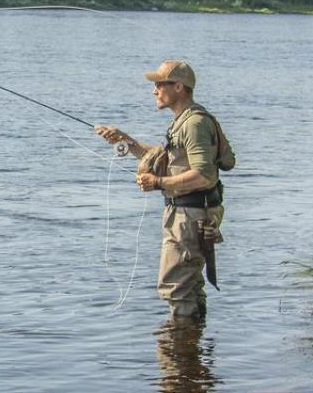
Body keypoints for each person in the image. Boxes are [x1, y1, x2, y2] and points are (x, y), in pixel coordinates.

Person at [95, 60, 234, 322]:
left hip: (191, 216)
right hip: (192, 213)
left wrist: (157, 183)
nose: (154, 90)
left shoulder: (193, 124)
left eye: (159, 84)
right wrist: (126, 141)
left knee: (175, 286)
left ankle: (180, 353)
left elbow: (203, 174)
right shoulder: (186, 120)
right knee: (188, 285)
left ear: (179, 87)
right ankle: (192, 352)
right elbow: (168, 159)